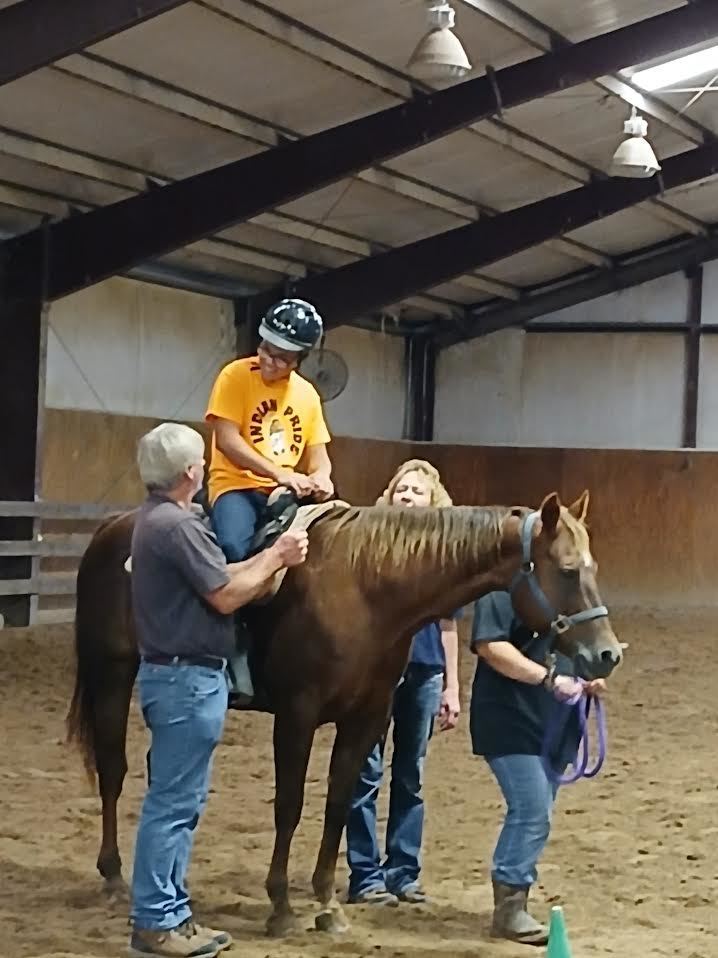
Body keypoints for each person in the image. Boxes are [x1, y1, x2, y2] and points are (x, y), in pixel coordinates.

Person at [128, 422, 308, 958]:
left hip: (181, 679)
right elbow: (227, 595)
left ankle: (172, 915)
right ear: (190, 471)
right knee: (173, 804)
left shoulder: (165, 520)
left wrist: (266, 554)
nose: (205, 467)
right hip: (186, 681)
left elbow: (219, 574)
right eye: (200, 462)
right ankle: (157, 920)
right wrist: (277, 558)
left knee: (181, 802)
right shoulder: (177, 527)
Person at [345, 459, 462, 907]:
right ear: (389, 497)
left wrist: (452, 686)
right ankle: (364, 874)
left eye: (417, 490)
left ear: (434, 501)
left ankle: (403, 871)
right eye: (401, 489)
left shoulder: (443, 558)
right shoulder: (371, 548)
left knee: (410, 774)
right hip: (375, 674)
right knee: (366, 771)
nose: (408, 496)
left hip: (425, 670)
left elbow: (448, 624)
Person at [470, 591, 606, 946]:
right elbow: (491, 646)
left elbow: (579, 644)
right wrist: (547, 679)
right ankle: (509, 908)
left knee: (539, 811)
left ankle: (514, 902)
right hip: (510, 720)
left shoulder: (564, 595)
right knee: (532, 811)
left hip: (554, 724)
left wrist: (587, 675)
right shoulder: (501, 593)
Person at [205, 297, 334, 564]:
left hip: (286, 492)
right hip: (237, 486)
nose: (269, 360)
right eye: (266, 349)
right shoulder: (235, 376)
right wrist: (280, 474)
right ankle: (221, 603)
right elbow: (228, 442)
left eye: (281, 358)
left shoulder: (307, 394)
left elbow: (319, 458)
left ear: (299, 360)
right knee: (232, 548)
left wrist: (322, 479)